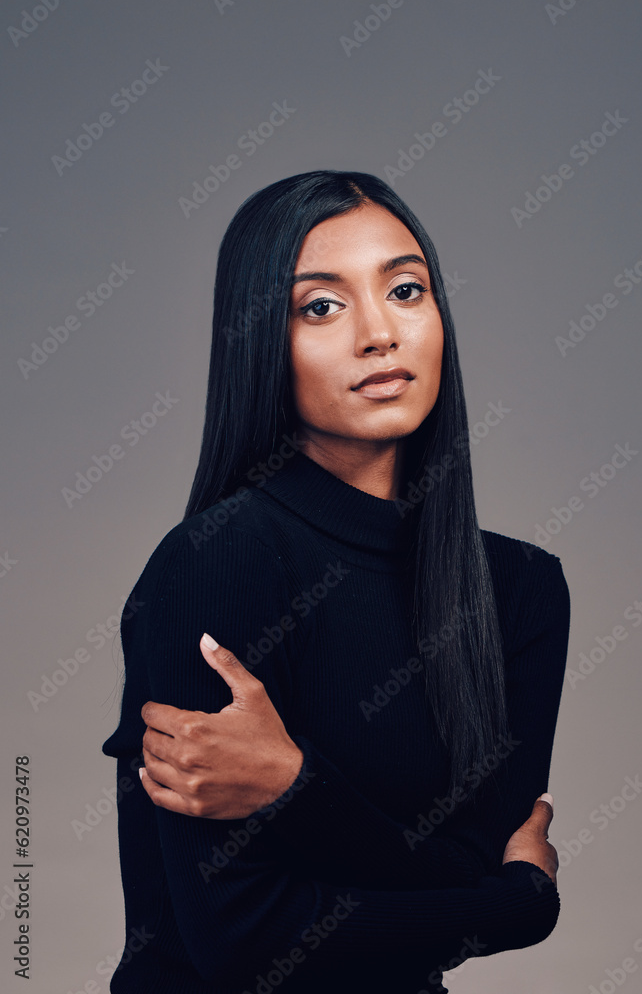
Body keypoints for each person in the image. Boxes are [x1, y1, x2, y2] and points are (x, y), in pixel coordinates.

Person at [102, 169, 570, 994]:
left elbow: (472, 862)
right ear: (258, 341)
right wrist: (515, 908)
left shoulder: (521, 589)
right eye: (320, 305)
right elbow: (242, 941)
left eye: (404, 289)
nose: (378, 333)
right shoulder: (216, 560)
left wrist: (290, 787)